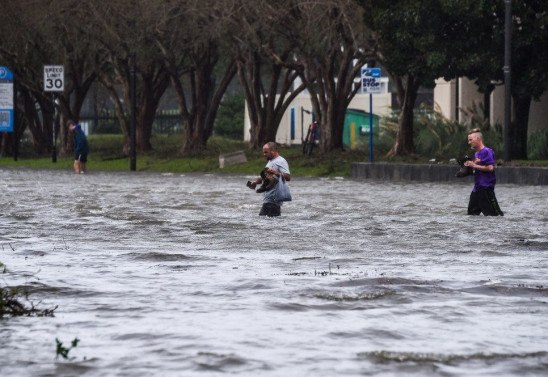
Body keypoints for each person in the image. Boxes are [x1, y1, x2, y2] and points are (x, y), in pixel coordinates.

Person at [463, 128, 503, 216]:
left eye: (470, 140)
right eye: (468, 140)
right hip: (477, 189)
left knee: (494, 215)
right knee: (471, 214)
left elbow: (490, 168)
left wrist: (474, 165)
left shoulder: (487, 151)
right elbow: (478, 169)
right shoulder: (476, 154)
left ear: (478, 138)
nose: (469, 142)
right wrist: (468, 168)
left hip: (486, 188)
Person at [247, 142, 291, 217]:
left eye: (266, 152)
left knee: (265, 225)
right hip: (267, 200)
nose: (264, 154)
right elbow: (265, 178)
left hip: (273, 201)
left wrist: (276, 172)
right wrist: (255, 182)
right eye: (263, 152)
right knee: (264, 224)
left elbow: (288, 177)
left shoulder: (281, 161)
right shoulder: (270, 161)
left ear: (273, 151)